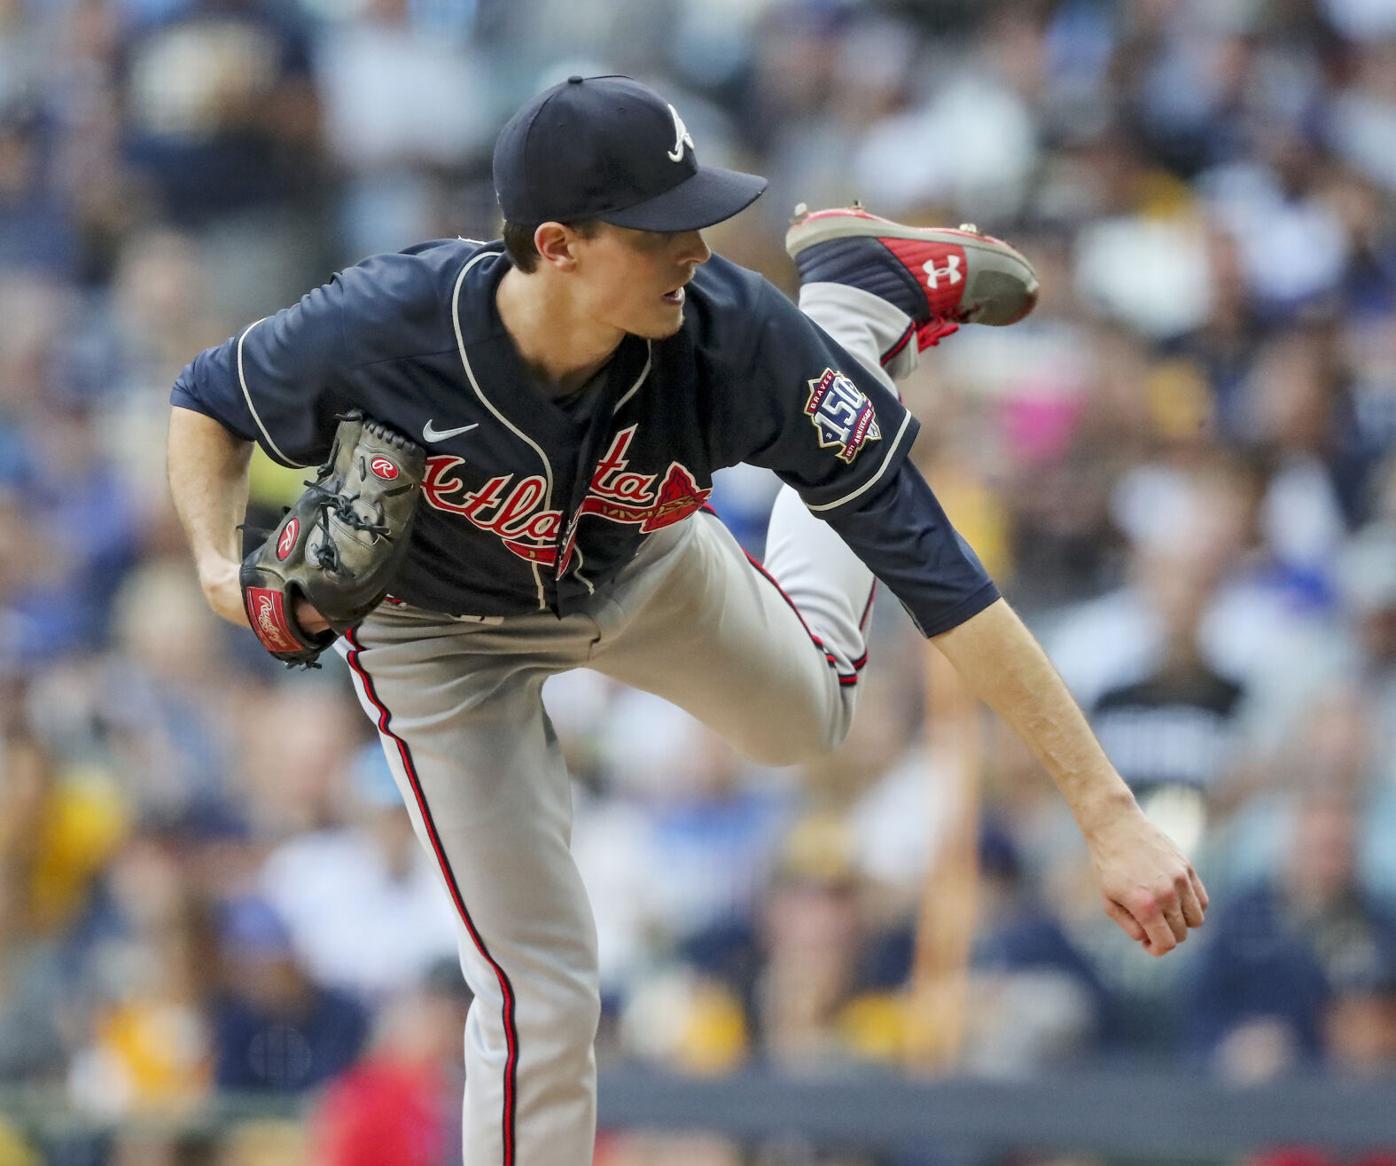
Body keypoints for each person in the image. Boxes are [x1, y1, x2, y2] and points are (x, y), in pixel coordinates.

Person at [166, 74, 1207, 1166]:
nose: (696, 249)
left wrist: (1107, 810)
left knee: (806, 723)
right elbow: (205, 401)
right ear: (558, 243)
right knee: (539, 981)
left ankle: (853, 305)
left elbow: (939, 571)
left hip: (639, 561)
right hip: (439, 634)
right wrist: (212, 569)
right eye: (660, 228)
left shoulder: (728, 336)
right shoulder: (385, 323)